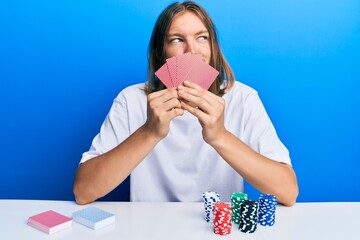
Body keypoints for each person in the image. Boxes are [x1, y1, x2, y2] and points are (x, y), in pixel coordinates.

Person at [73, 1, 298, 206]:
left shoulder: (243, 99)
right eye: (177, 40)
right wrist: (149, 132)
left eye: (202, 37)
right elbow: (83, 191)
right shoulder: (131, 100)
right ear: (161, 53)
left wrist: (219, 136)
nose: (192, 50)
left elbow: (288, 192)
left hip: (216, 230)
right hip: (148, 229)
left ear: (213, 47)